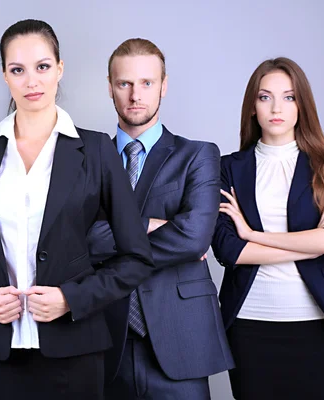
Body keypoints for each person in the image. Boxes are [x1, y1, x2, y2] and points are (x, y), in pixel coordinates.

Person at [0, 19, 155, 400]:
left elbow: (136, 257)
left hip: (74, 350)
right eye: (18, 70)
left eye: (42, 67)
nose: (31, 81)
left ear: (59, 69)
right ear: (5, 76)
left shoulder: (96, 150)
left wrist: (72, 298)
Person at [87, 38, 234, 400]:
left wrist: (116, 236)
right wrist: (156, 226)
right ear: (110, 87)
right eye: (124, 83)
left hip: (179, 337)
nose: (135, 94)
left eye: (147, 83)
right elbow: (81, 238)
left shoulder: (198, 155)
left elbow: (195, 238)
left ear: (163, 86)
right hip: (107, 337)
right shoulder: (87, 160)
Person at [212, 57, 324, 400]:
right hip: (248, 324)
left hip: (314, 323)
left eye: (289, 97)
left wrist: (252, 234)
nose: (277, 107)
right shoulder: (227, 169)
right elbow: (230, 251)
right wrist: (311, 242)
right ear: (252, 106)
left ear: (301, 105)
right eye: (265, 97)